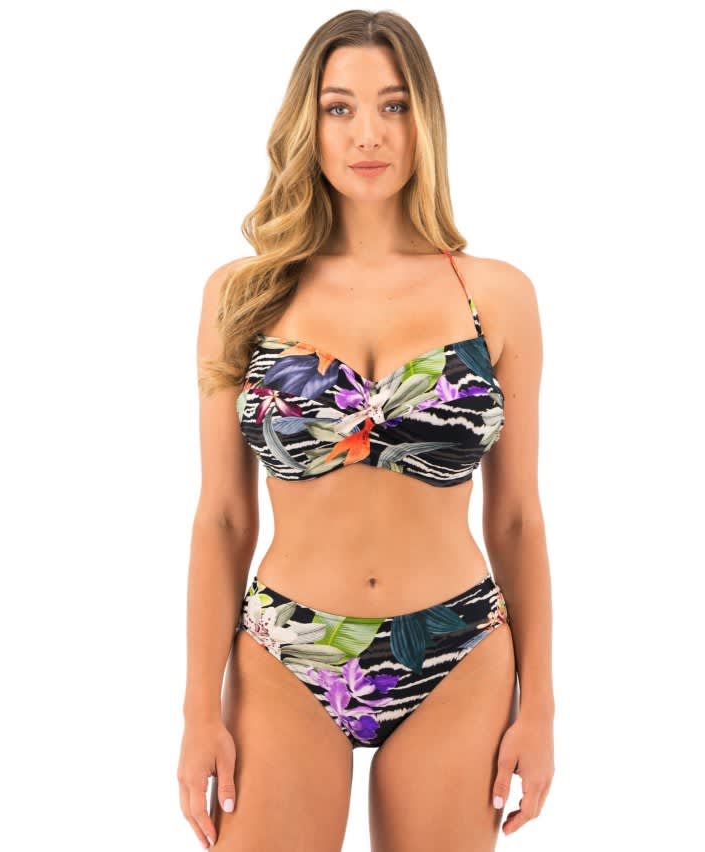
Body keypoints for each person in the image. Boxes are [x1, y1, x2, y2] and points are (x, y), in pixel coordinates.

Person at [177, 9, 554, 850]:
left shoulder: (496, 296)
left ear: (426, 120)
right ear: (307, 123)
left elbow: (518, 519)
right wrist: (199, 711)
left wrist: (541, 708)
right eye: (339, 108)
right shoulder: (244, 294)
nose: (368, 134)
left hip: (458, 648)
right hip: (288, 648)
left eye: (394, 105)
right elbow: (224, 518)